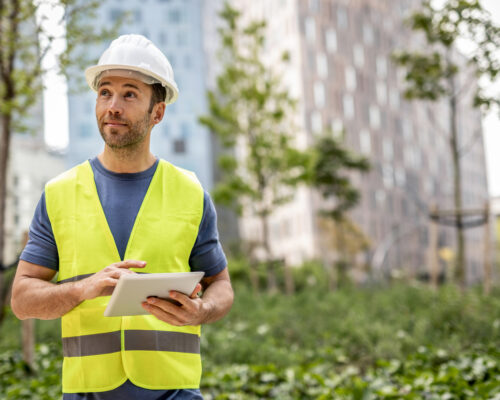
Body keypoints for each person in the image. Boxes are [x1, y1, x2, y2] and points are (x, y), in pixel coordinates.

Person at [10, 34, 234, 400]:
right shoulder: (58, 194)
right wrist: (83, 288)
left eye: (129, 94)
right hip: (86, 393)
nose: (112, 106)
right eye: (105, 92)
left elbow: (221, 285)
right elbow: (21, 298)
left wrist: (202, 309)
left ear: (157, 112)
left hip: (174, 393)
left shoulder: (190, 193)